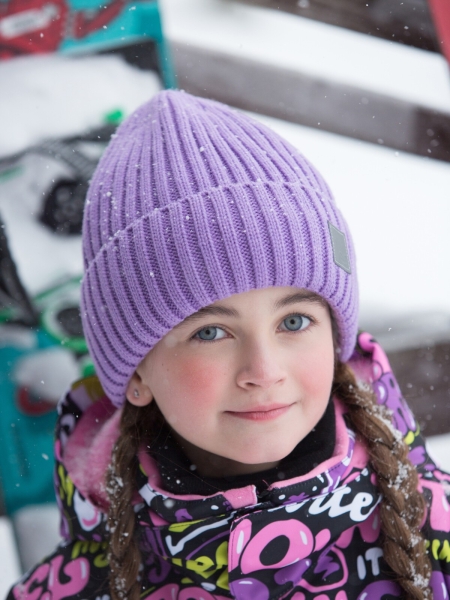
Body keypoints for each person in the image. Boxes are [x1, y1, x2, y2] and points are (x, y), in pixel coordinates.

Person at [7, 90, 450, 600]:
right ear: (137, 371)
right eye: (211, 333)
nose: (263, 370)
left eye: (295, 321)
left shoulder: (432, 531)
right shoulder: (74, 588)